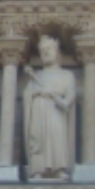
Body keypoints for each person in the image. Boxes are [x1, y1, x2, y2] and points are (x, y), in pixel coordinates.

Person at [22, 36, 77, 180]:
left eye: (49, 49)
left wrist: (62, 101)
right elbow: (27, 94)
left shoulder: (66, 75)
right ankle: (38, 170)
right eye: (43, 51)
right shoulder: (37, 76)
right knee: (39, 139)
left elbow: (70, 97)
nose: (46, 53)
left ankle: (58, 168)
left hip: (55, 111)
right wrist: (36, 93)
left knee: (56, 136)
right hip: (39, 110)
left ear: (57, 52)